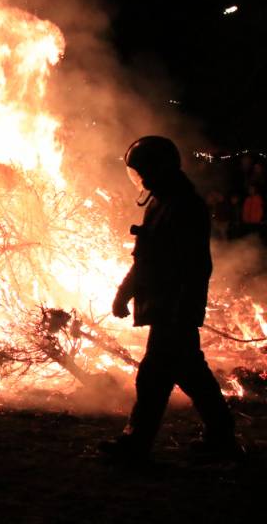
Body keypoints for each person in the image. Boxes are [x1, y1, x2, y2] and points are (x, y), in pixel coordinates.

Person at [101, 136, 240, 462]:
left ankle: (135, 444)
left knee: (152, 378)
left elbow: (195, 266)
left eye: (145, 171)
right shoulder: (161, 203)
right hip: (166, 308)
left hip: (173, 309)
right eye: (138, 173)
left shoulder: (185, 206)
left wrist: (182, 310)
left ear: (161, 168)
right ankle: (222, 437)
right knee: (192, 374)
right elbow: (144, 258)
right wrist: (124, 294)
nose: (143, 179)